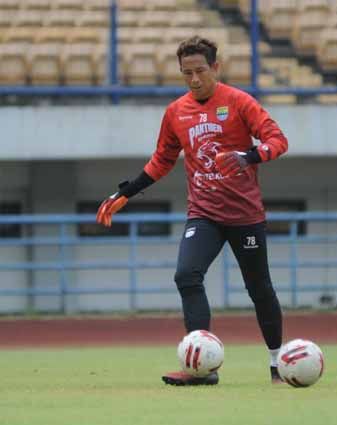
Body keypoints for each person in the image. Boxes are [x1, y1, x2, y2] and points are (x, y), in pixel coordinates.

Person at [96, 36, 287, 386]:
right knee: (186, 275)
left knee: (259, 289)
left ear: (216, 67)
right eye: (187, 73)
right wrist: (124, 193)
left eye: (200, 71)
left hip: (245, 216)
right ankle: (202, 368)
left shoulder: (240, 102)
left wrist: (247, 157)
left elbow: (278, 141)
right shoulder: (176, 112)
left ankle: (278, 362)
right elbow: (161, 161)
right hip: (204, 213)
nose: (195, 79)